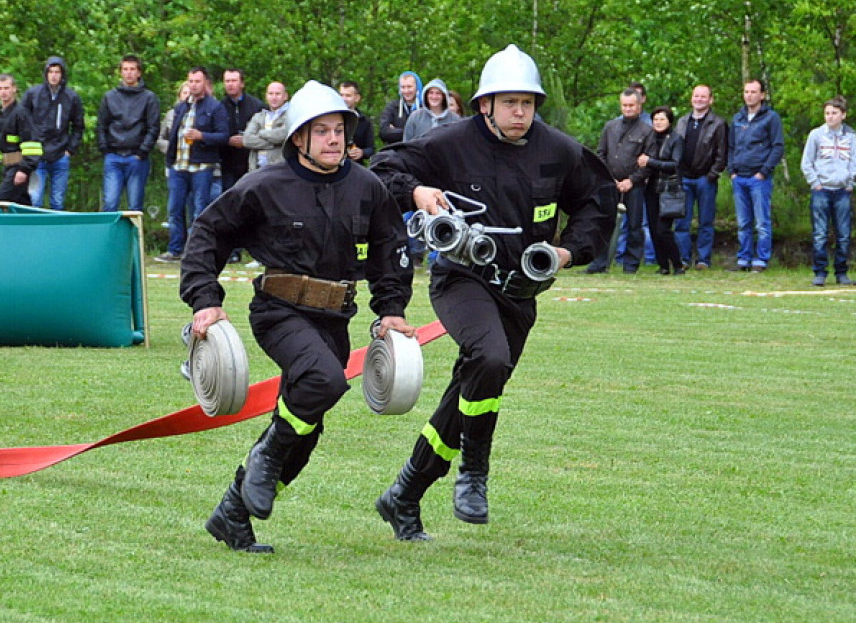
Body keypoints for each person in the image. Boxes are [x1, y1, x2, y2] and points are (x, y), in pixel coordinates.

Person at [370, 45, 614, 540]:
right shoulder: (450, 142)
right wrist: (417, 192)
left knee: (471, 389)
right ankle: (474, 476)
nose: (519, 113)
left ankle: (404, 495)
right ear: (486, 104)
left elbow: (600, 198)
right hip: (462, 280)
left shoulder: (559, 150)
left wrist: (567, 253)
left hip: (521, 293)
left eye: (527, 103)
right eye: (509, 103)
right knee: (490, 359)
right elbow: (382, 167)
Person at [180, 80, 415, 553]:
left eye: (339, 130)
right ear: (298, 140)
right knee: (324, 383)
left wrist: (391, 311)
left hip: (335, 321)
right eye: (321, 131)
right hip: (278, 313)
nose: (333, 139)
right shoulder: (265, 185)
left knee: (308, 429)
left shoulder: (367, 188)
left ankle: (233, 514)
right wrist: (205, 298)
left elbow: (393, 252)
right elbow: (207, 232)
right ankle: (264, 455)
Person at [154, 67, 229, 264]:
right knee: (175, 209)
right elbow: (170, 135)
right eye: (190, 81)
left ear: (205, 83)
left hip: (201, 167)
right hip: (179, 166)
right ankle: (175, 249)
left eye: (197, 81)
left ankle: (196, 251)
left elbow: (224, 136)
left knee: (199, 211)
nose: (193, 85)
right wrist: (170, 159)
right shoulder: (181, 107)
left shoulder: (215, 107)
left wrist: (202, 136)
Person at [584, 88, 655, 274]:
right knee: (604, 223)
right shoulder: (610, 127)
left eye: (632, 105)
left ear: (639, 106)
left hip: (635, 186)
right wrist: (609, 178)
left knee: (634, 226)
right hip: (610, 183)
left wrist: (631, 180)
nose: (628, 109)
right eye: (625, 105)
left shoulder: (647, 131)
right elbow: (601, 154)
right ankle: (599, 263)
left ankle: (630, 265)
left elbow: (649, 161)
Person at [727, 79, 784, 272]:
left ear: (762, 95)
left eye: (753, 92)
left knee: (762, 222)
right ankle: (743, 259)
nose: (749, 95)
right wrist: (731, 171)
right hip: (739, 177)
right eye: (746, 91)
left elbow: (777, 147)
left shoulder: (770, 118)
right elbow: (731, 146)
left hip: (759, 178)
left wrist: (764, 172)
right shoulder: (738, 118)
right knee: (743, 223)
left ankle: (761, 259)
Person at [800, 96, 855, 286]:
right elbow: (807, 162)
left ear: (843, 115)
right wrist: (815, 183)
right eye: (827, 113)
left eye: (834, 113)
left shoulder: (851, 137)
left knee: (844, 234)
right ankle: (820, 272)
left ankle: (841, 272)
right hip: (821, 190)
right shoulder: (816, 135)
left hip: (842, 190)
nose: (830, 117)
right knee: (820, 234)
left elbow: (854, 162)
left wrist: (850, 182)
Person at [673, 84, 728, 269]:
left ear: (710, 100)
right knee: (681, 222)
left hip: (705, 179)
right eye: (696, 96)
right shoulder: (681, 121)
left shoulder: (718, 123)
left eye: (703, 96)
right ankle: (683, 258)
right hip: (684, 179)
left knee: (705, 221)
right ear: (691, 98)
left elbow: (722, 153)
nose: (699, 99)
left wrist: (712, 174)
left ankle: (703, 259)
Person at [97, 54, 160, 213]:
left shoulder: (149, 98)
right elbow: (101, 125)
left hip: (136, 157)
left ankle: (134, 238)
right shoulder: (109, 97)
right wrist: (105, 149)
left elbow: (153, 127)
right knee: (110, 203)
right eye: (125, 69)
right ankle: (109, 237)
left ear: (139, 73)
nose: (129, 73)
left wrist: (142, 152)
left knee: (135, 206)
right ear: (120, 72)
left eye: (132, 69)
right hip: (113, 156)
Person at [23, 56, 85, 210]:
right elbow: (22, 121)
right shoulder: (33, 94)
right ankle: (33, 233)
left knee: (57, 202)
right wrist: (28, 148)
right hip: (36, 156)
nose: (54, 75)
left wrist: (70, 150)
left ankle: (55, 234)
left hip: (60, 156)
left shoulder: (71, 97)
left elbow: (78, 126)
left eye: (57, 72)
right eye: (51, 71)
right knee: (34, 200)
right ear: (46, 73)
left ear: (62, 74)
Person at [0, 74, 42, 204]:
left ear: (14, 89)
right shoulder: (0, 114)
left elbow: (32, 145)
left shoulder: (21, 113)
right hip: (7, 166)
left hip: (18, 166)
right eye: (0, 88)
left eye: (6, 88)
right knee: (22, 207)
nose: (3, 92)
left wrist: (24, 170)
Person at [638, 106, 686, 275]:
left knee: (663, 230)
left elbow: (675, 165)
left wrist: (651, 162)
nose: (658, 123)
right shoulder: (648, 137)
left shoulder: (676, 139)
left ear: (669, 121)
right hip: (651, 189)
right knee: (652, 229)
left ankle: (678, 264)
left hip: (669, 190)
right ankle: (663, 265)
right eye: (655, 119)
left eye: (662, 119)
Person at [219, 68, 264, 192]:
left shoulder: (257, 106)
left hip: (251, 161)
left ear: (242, 83)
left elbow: (264, 133)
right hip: (227, 163)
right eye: (227, 81)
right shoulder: (219, 107)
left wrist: (247, 140)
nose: (230, 84)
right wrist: (227, 140)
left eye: (234, 80)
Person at [243, 81, 290, 171]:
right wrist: (274, 143)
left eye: (278, 94)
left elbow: (282, 135)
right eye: (271, 94)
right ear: (266, 96)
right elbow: (247, 140)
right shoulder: (258, 116)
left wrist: (261, 132)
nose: (274, 97)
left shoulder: (290, 115)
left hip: (279, 170)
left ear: (285, 96)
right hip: (256, 169)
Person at [378, 70, 422, 145]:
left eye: (409, 87)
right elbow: (383, 132)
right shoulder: (392, 107)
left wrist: (395, 131)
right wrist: (412, 132)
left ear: (417, 87)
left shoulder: (424, 107)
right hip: (396, 151)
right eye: (403, 87)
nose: (406, 91)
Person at [338, 81, 375, 164]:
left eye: (348, 95)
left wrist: (362, 152)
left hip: (355, 167)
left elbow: (371, 149)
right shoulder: (330, 119)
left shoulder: (365, 121)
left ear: (357, 98)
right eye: (341, 95)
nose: (343, 99)